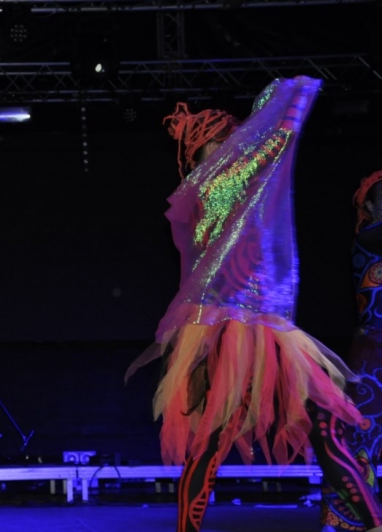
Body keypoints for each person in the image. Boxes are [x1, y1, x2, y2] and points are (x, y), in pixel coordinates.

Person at [125, 76, 382, 532]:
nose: (238, 146)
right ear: (211, 148)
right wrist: (292, 98)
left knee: (218, 444)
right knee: (303, 436)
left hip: (243, 329)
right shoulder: (219, 183)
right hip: (237, 332)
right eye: (229, 139)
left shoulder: (200, 193)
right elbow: (277, 143)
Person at [321, 170, 382, 532]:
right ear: (370, 207)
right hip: (374, 354)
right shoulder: (368, 237)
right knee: (359, 444)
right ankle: (352, 524)